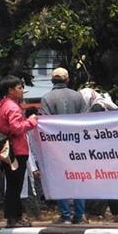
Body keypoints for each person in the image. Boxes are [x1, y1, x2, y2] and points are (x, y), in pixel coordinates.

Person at [41, 67, 88, 224]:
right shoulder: (78, 96)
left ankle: (65, 215)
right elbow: (86, 120)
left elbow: (45, 123)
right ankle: (80, 215)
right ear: (67, 80)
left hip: (57, 147)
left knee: (60, 179)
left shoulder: (47, 98)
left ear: (52, 80)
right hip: (77, 145)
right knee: (79, 179)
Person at [0, 76, 39, 228]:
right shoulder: (12, 107)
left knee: (13, 185)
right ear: (10, 90)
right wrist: (31, 121)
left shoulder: (2, 105)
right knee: (15, 185)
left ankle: (14, 217)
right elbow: (17, 128)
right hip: (16, 150)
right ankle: (14, 217)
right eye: (19, 88)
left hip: (7, 150)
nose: (22, 91)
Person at [80, 87, 118, 222]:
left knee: (97, 182)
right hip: (112, 150)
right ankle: (117, 213)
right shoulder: (108, 103)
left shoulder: (96, 108)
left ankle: (92, 213)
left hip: (100, 152)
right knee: (112, 182)